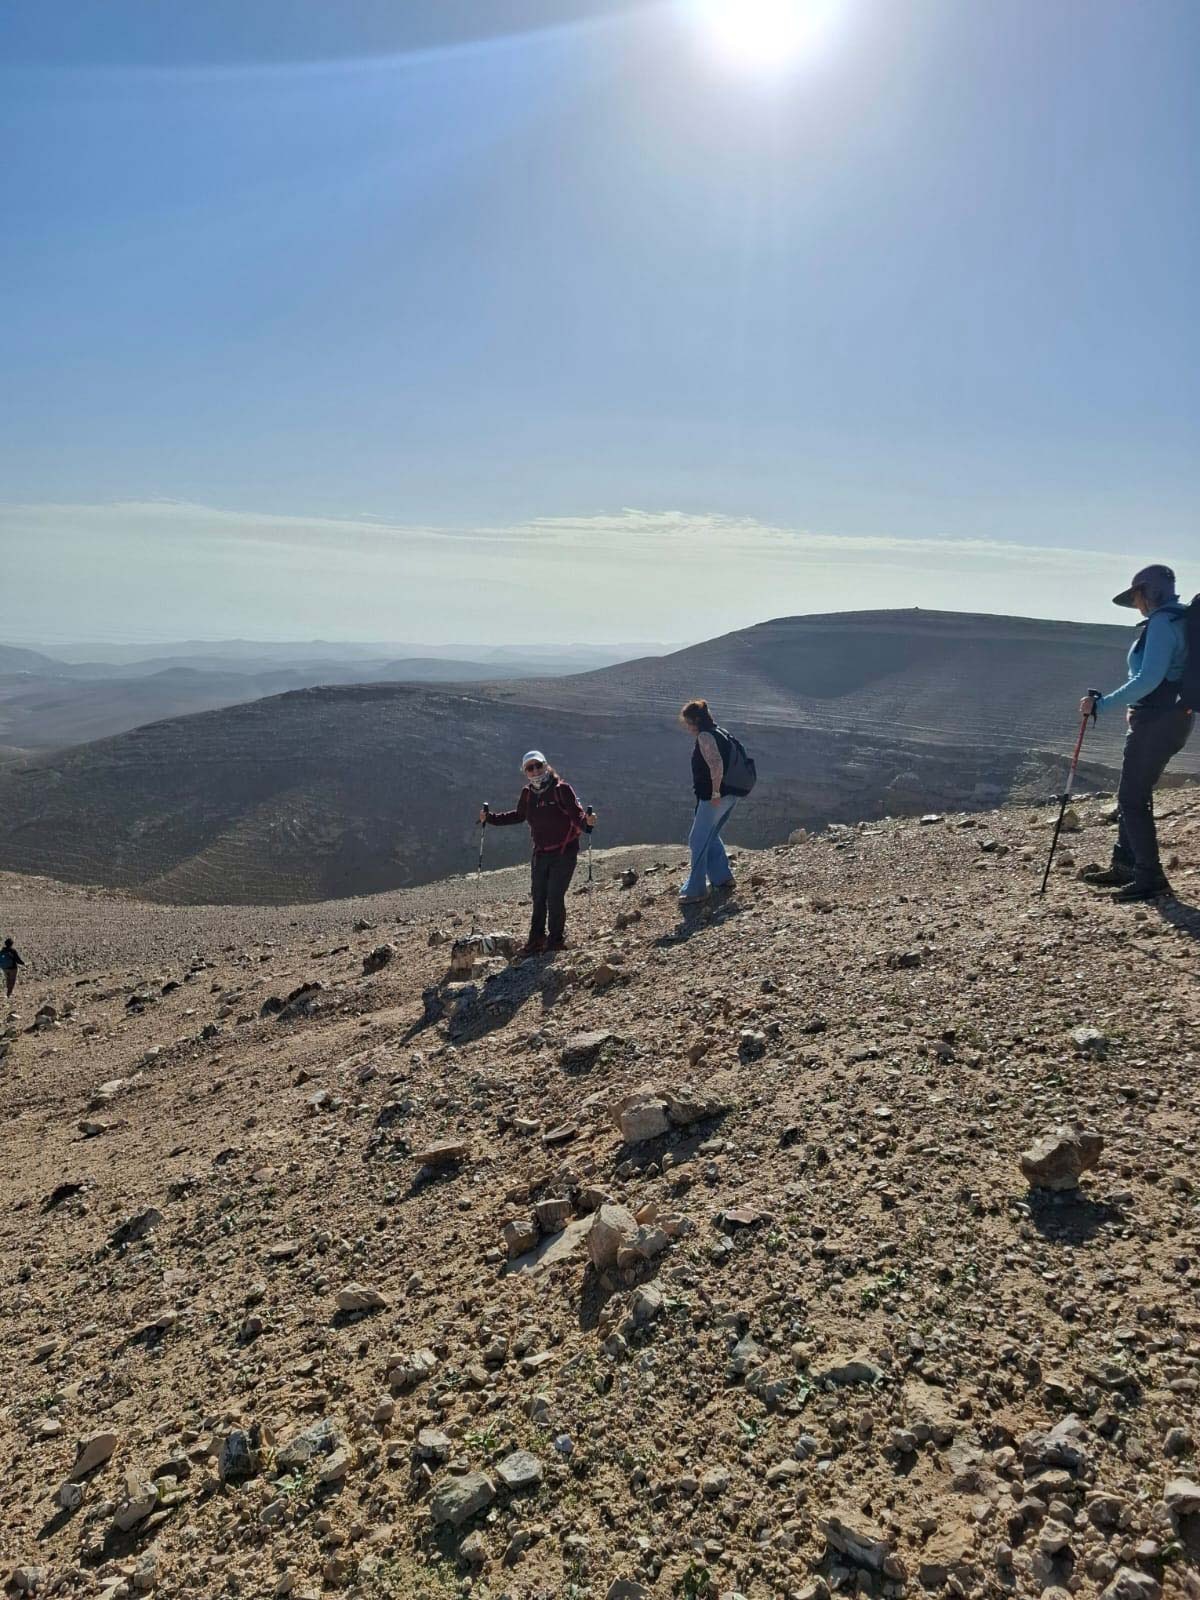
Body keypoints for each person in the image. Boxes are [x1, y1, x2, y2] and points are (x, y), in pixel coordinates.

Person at [1079, 564, 1192, 902]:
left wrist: (1102, 705)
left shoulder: (1161, 623)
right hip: (1173, 718)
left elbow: (1148, 678)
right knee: (1135, 793)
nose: (1137, 603)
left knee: (1131, 796)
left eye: (1138, 596)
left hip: (1157, 721)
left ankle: (1148, 875)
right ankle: (1126, 864)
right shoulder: (1182, 618)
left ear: (1147, 592)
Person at [480, 751, 595, 954]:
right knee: (539, 896)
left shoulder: (561, 789)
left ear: (546, 765)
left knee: (554, 896)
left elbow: (577, 816)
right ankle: (536, 941)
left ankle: (555, 941)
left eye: (538, 766)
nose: (535, 771)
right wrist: (490, 818)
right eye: (529, 768)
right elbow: (519, 815)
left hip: (564, 852)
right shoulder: (528, 793)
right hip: (540, 853)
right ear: (525, 772)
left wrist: (587, 824)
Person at [679, 699, 739, 904]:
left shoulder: (705, 736)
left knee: (697, 839)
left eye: (688, 722)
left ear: (695, 720)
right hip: (731, 794)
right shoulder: (719, 731)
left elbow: (716, 765)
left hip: (715, 797)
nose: (687, 727)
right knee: (710, 835)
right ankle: (723, 878)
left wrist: (714, 793)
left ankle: (696, 890)